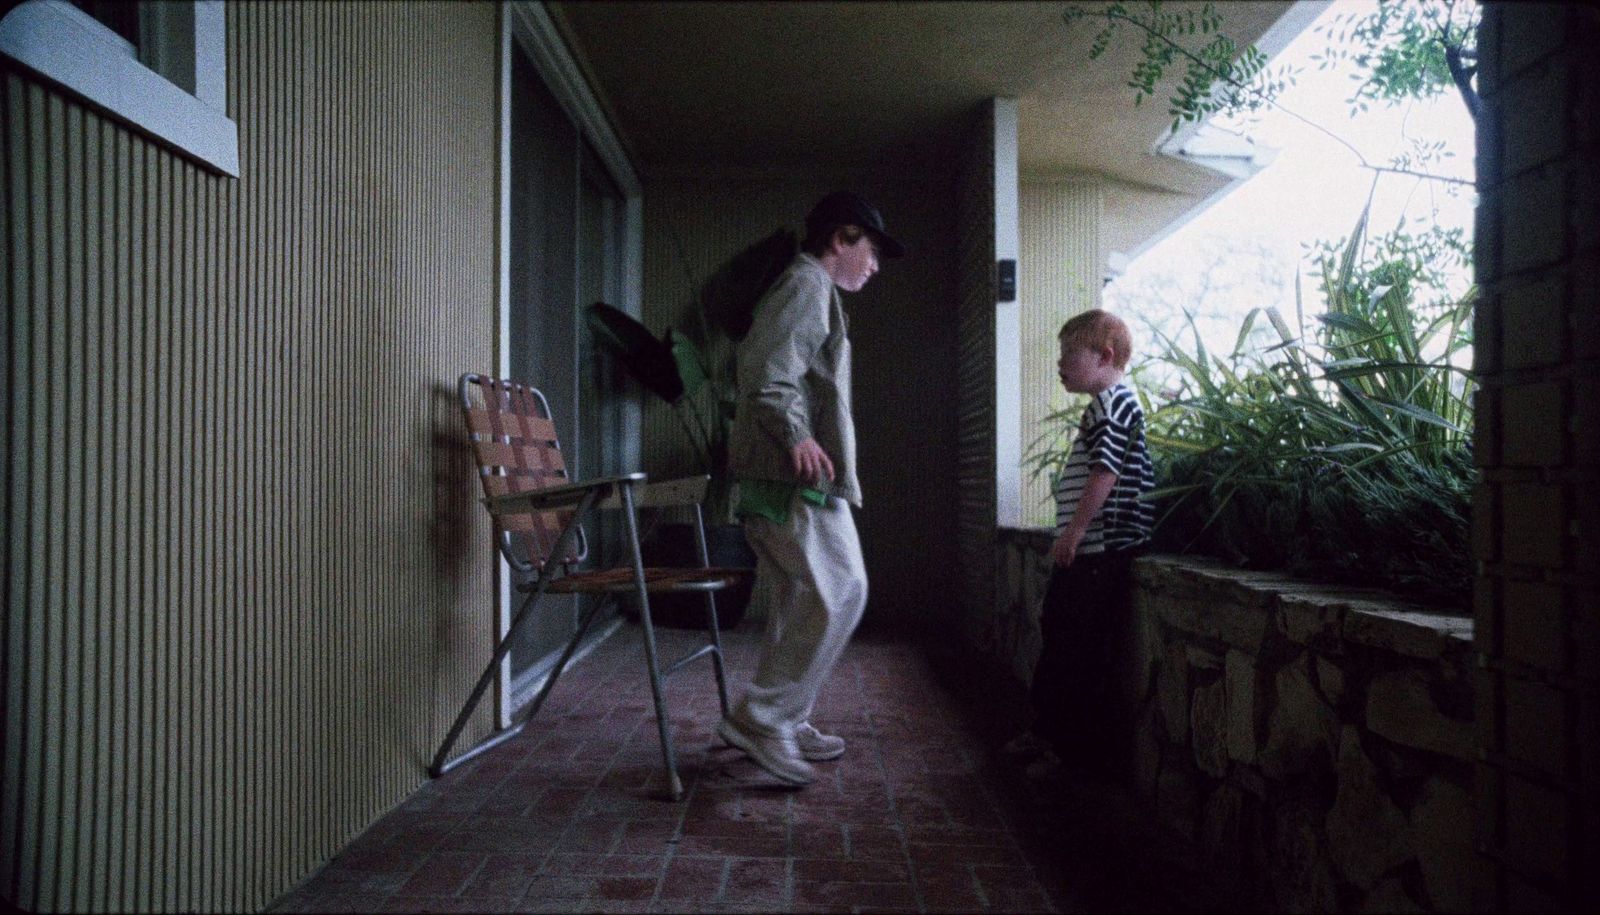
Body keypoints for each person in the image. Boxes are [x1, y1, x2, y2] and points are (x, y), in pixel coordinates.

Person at [716, 191, 904, 786]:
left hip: (790, 470)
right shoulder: (807, 284)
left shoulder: (812, 289)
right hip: (787, 472)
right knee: (841, 588)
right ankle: (763, 718)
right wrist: (795, 435)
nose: (873, 266)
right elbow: (767, 370)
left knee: (806, 597)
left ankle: (782, 718)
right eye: (870, 251)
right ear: (842, 238)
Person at [1007, 308, 1155, 779]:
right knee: (1059, 634)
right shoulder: (1104, 407)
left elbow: (1105, 474)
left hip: (1099, 553)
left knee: (1079, 651)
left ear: (1105, 355)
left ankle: (1068, 754)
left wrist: (1074, 532)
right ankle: (1046, 733)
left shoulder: (1114, 406)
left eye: (1069, 354)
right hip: (1087, 553)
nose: (1060, 364)